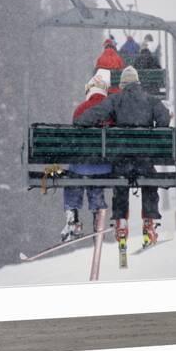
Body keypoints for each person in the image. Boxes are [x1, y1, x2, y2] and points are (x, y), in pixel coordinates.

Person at [73, 66, 171, 247]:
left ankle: (120, 222)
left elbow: (95, 114)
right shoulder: (151, 100)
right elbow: (164, 118)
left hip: (122, 160)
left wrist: (80, 121)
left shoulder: (115, 100)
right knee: (150, 184)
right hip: (144, 160)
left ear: (123, 84)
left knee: (120, 183)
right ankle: (149, 221)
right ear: (138, 82)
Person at [61, 75, 112, 242]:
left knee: (75, 177)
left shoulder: (80, 109)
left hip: (81, 166)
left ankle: (72, 215)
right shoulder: (111, 109)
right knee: (96, 179)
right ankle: (98, 214)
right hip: (105, 167)